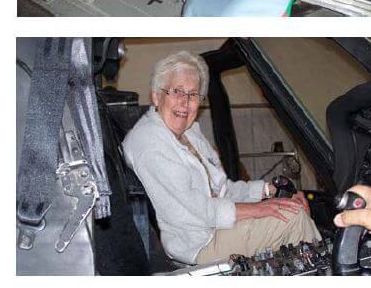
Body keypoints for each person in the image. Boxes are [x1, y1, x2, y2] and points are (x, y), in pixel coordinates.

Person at [122, 51, 320, 264]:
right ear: (156, 95)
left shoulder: (189, 134)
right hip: (198, 243)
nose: (184, 102)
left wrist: (269, 190)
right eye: (176, 91)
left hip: (214, 228)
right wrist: (259, 209)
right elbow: (195, 210)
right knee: (293, 219)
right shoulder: (150, 142)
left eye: (193, 95)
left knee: (291, 209)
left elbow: (223, 190)